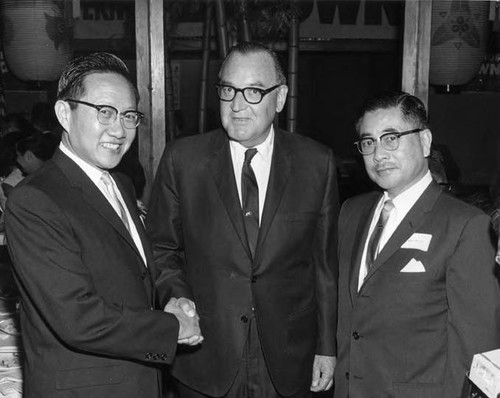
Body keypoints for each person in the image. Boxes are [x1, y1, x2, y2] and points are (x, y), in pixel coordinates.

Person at [146, 41, 339, 397]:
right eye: (227, 90)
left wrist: (327, 345)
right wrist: (178, 299)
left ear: (279, 98)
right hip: (207, 353)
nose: (236, 105)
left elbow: (324, 266)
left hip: (288, 355)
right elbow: (161, 250)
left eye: (252, 91)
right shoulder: (183, 161)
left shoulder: (316, 163)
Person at [4, 52, 202, 398]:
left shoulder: (121, 183)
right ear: (65, 113)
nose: (119, 129)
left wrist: (172, 299)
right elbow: (76, 318)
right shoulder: (35, 200)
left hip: (138, 379)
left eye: (129, 116)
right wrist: (170, 329)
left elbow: (139, 273)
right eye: (105, 112)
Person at [334, 91, 500, 398]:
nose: (379, 154)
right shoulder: (351, 213)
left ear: (425, 141)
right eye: (368, 142)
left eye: (391, 138)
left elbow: (476, 351)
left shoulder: (465, 225)